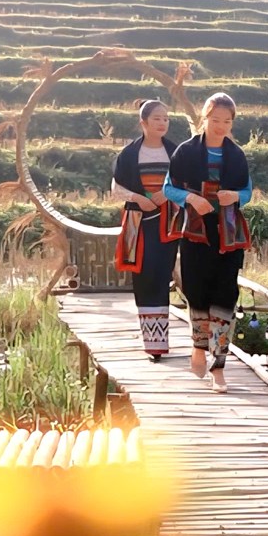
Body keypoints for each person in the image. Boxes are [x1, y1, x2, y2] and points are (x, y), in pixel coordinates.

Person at [163, 92, 252, 393]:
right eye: (215, 120)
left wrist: (235, 196)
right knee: (197, 291)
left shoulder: (236, 156)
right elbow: (169, 188)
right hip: (196, 233)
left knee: (225, 296)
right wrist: (191, 198)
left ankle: (219, 366)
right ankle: (199, 347)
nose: (221, 126)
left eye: (226, 121)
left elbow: (247, 192)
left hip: (227, 235)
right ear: (205, 119)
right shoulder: (186, 152)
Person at [112, 99, 179, 362]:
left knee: (161, 277)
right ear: (144, 122)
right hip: (138, 223)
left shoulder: (175, 152)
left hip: (167, 223)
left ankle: (160, 344)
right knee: (143, 278)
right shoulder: (129, 154)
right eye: (157, 118)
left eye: (166, 118)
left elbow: (186, 183)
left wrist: (167, 193)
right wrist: (139, 198)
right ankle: (151, 343)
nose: (162, 123)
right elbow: (116, 187)